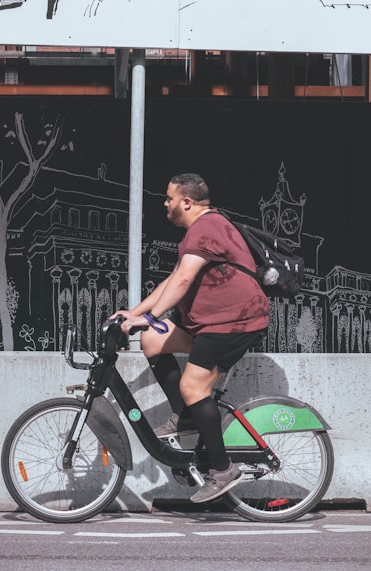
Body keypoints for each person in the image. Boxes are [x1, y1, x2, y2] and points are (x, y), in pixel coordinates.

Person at [111, 173, 270, 503]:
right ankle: (185, 417)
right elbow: (173, 281)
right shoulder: (197, 234)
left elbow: (183, 280)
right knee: (153, 340)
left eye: (169, 198)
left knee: (193, 386)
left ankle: (223, 469)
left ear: (187, 202)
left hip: (232, 322)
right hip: (207, 323)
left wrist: (149, 318)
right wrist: (134, 313)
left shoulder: (207, 226)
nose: (165, 204)